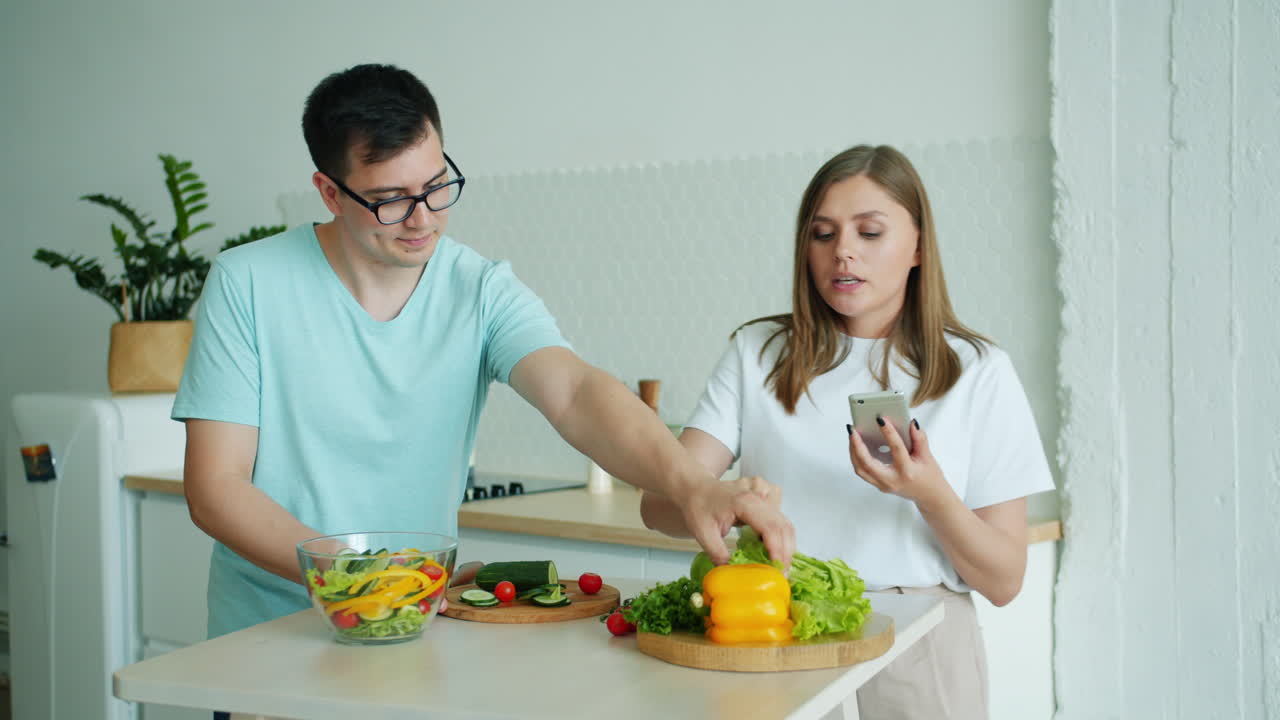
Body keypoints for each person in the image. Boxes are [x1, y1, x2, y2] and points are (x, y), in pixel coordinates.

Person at [172, 63, 795, 645]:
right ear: (330, 193)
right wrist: (369, 577)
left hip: (412, 630)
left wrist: (690, 485)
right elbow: (216, 488)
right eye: (391, 199)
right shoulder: (248, 282)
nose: (423, 219)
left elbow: (576, 391)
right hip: (271, 634)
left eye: (437, 185)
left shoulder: (479, 287)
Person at [640, 144, 1054, 719]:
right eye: (824, 233)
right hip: (777, 635)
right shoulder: (757, 353)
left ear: (918, 247)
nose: (844, 253)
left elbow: (1005, 580)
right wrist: (723, 497)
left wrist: (928, 494)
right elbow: (658, 502)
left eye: (870, 232)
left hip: (922, 637)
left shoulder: (978, 370)